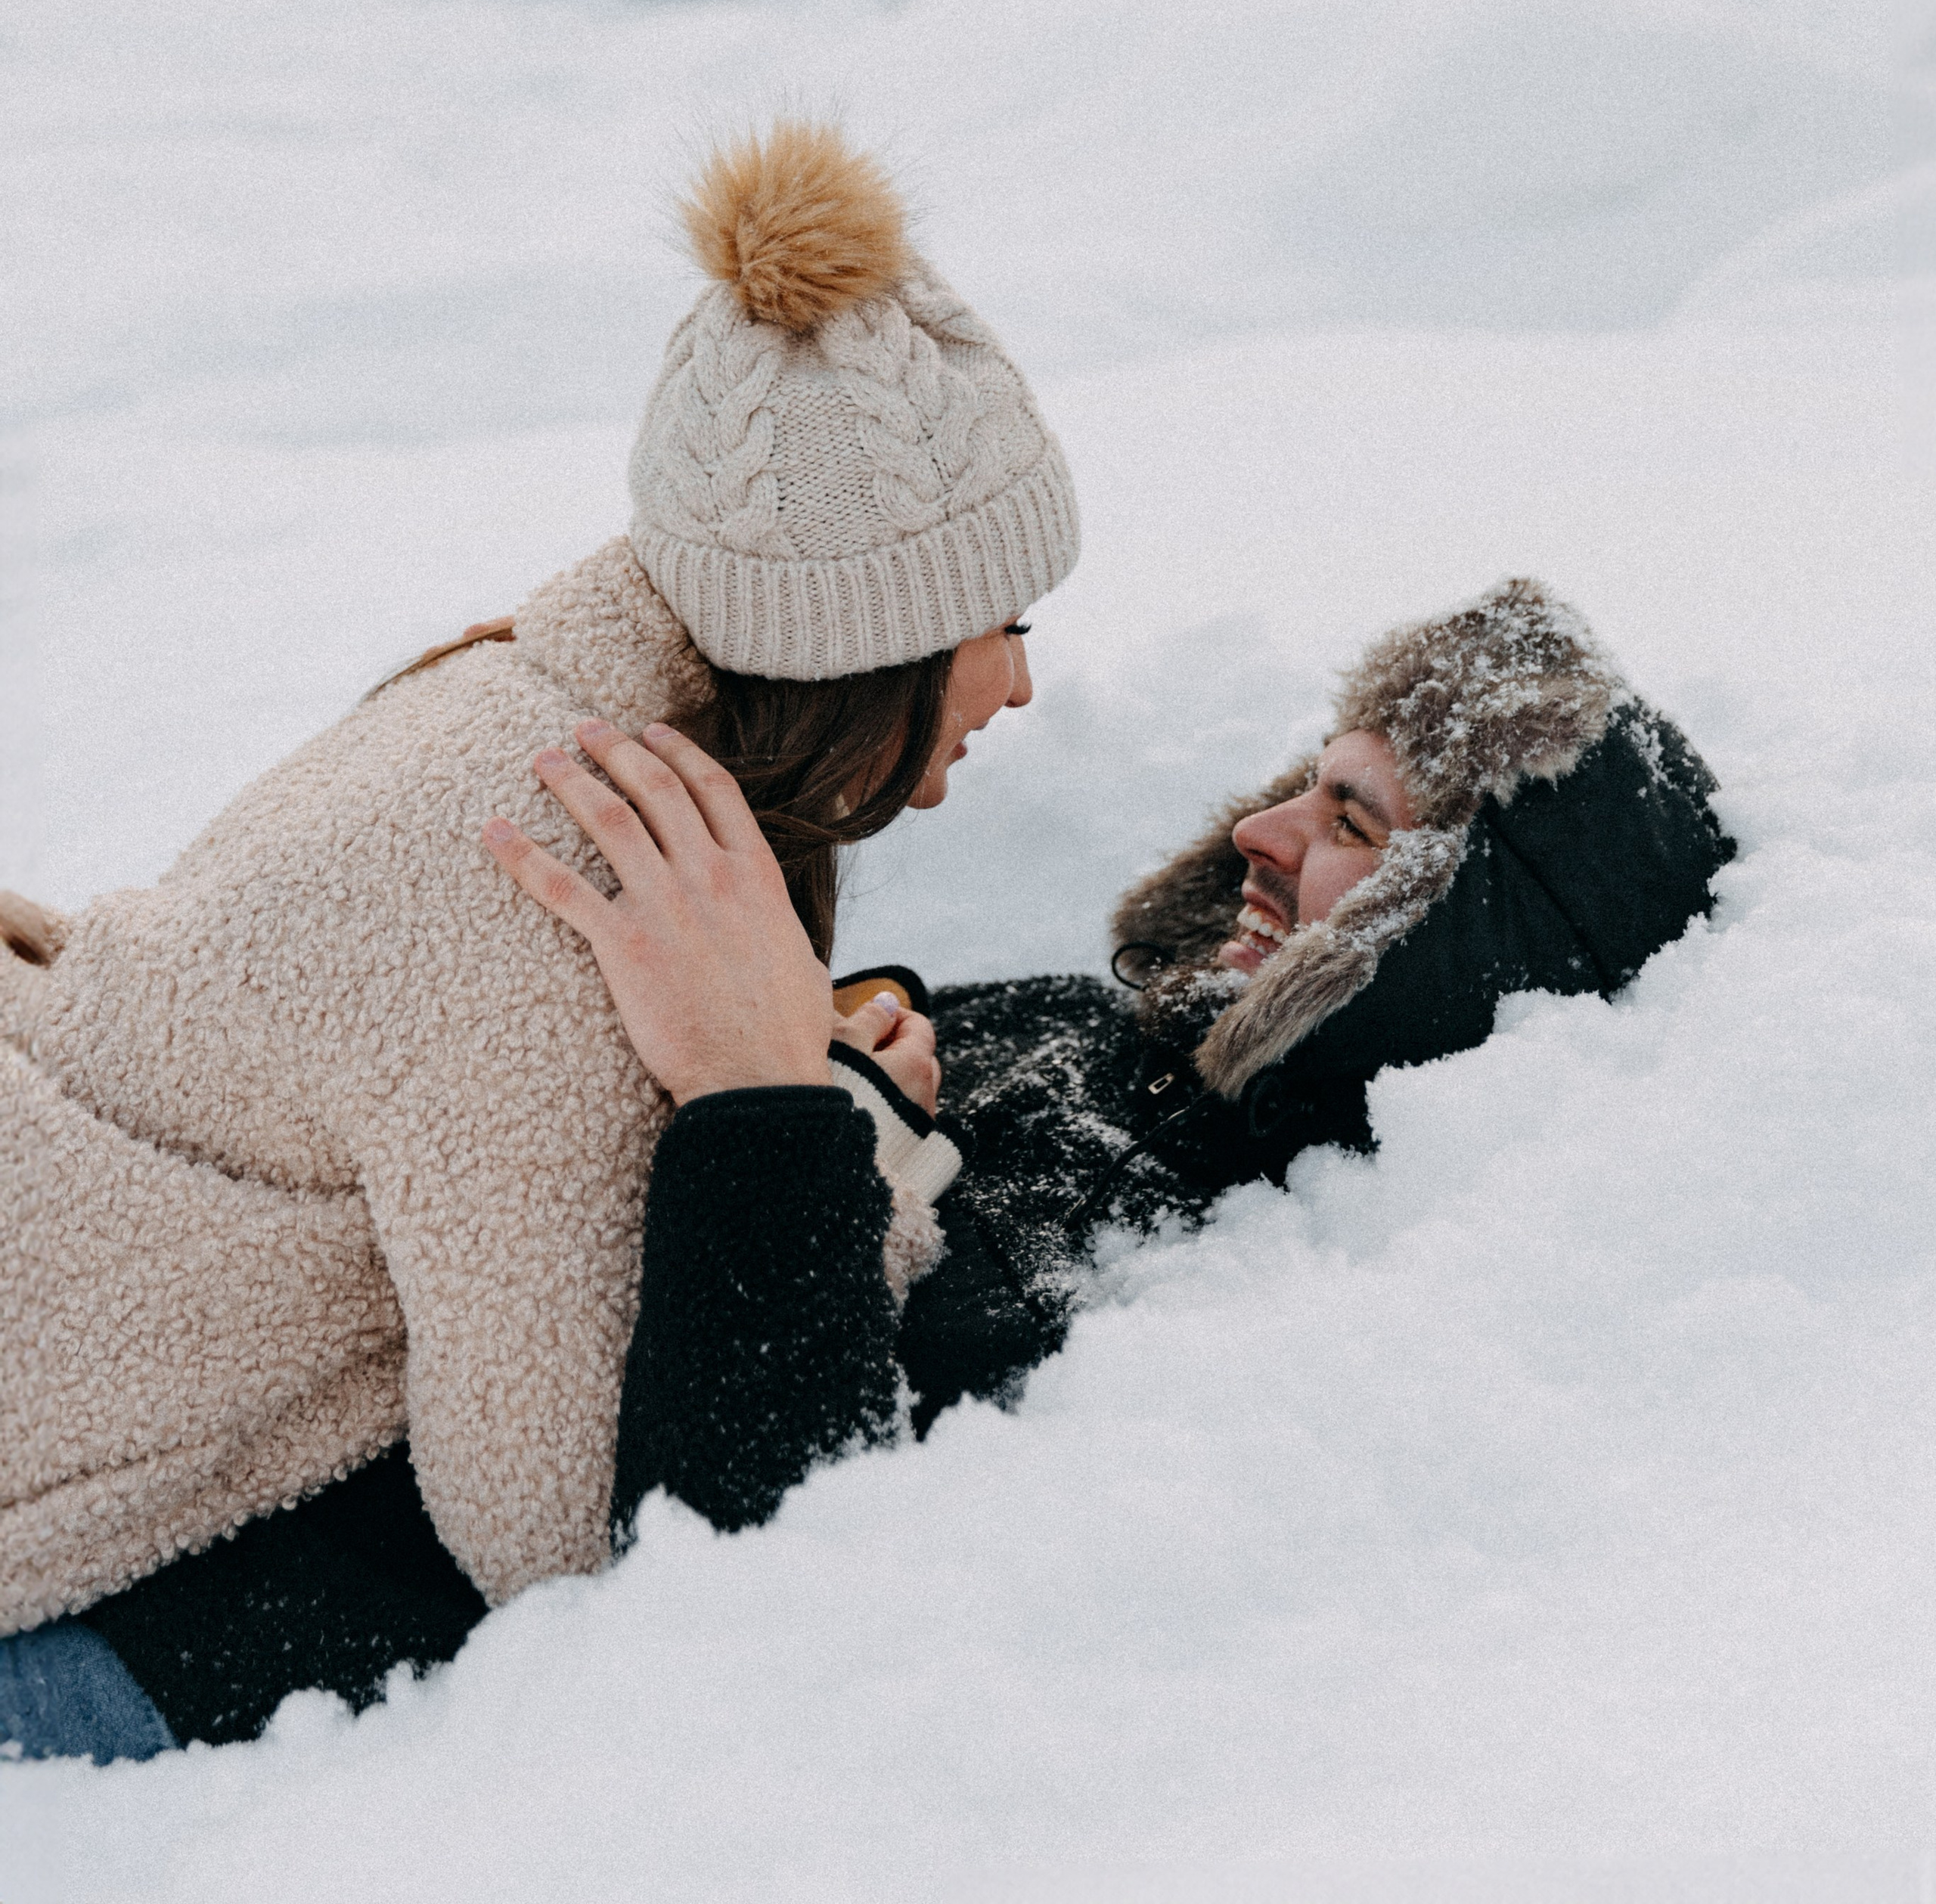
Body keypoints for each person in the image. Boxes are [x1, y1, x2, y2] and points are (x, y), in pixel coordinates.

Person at [2, 574, 1731, 1758]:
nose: (1259, 832)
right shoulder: (1102, 1036)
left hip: (174, 1634)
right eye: (1306, 783)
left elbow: (762, 1559)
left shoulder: (1189, 1250)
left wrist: (768, 1103)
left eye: (1349, 823)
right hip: (149, 1421)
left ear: (1460, 938)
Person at [0, 122, 1079, 1756]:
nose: (1022, 682)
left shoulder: (528, 698)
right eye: (1002, 623)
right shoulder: (553, 890)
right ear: (868, 643)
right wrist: (834, 1149)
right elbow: (571, 1539)